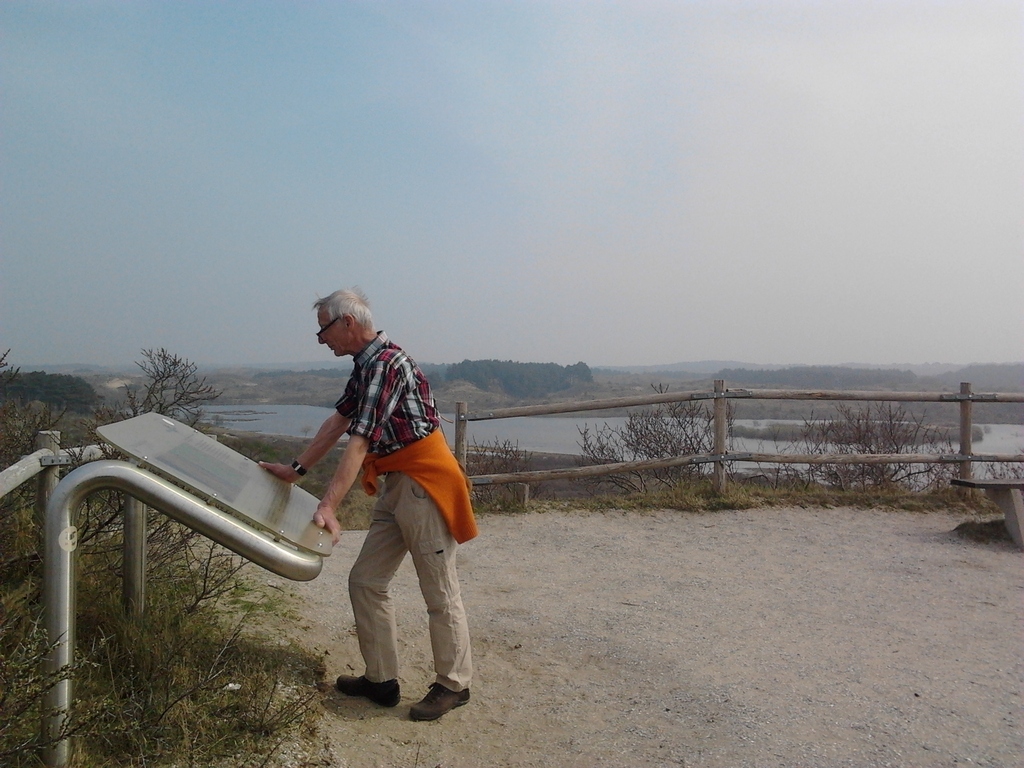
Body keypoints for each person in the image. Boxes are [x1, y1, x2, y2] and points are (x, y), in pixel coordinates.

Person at [260, 288, 477, 721]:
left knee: (438, 589)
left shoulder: (386, 364)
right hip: (396, 481)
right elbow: (339, 419)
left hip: (423, 484)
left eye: (323, 328)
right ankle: (381, 680)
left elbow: (359, 440)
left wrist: (328, 505)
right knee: (365, 581)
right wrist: (295, 469)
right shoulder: (366, 365)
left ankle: (454, 684)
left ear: (348, 323)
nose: (321, 339)